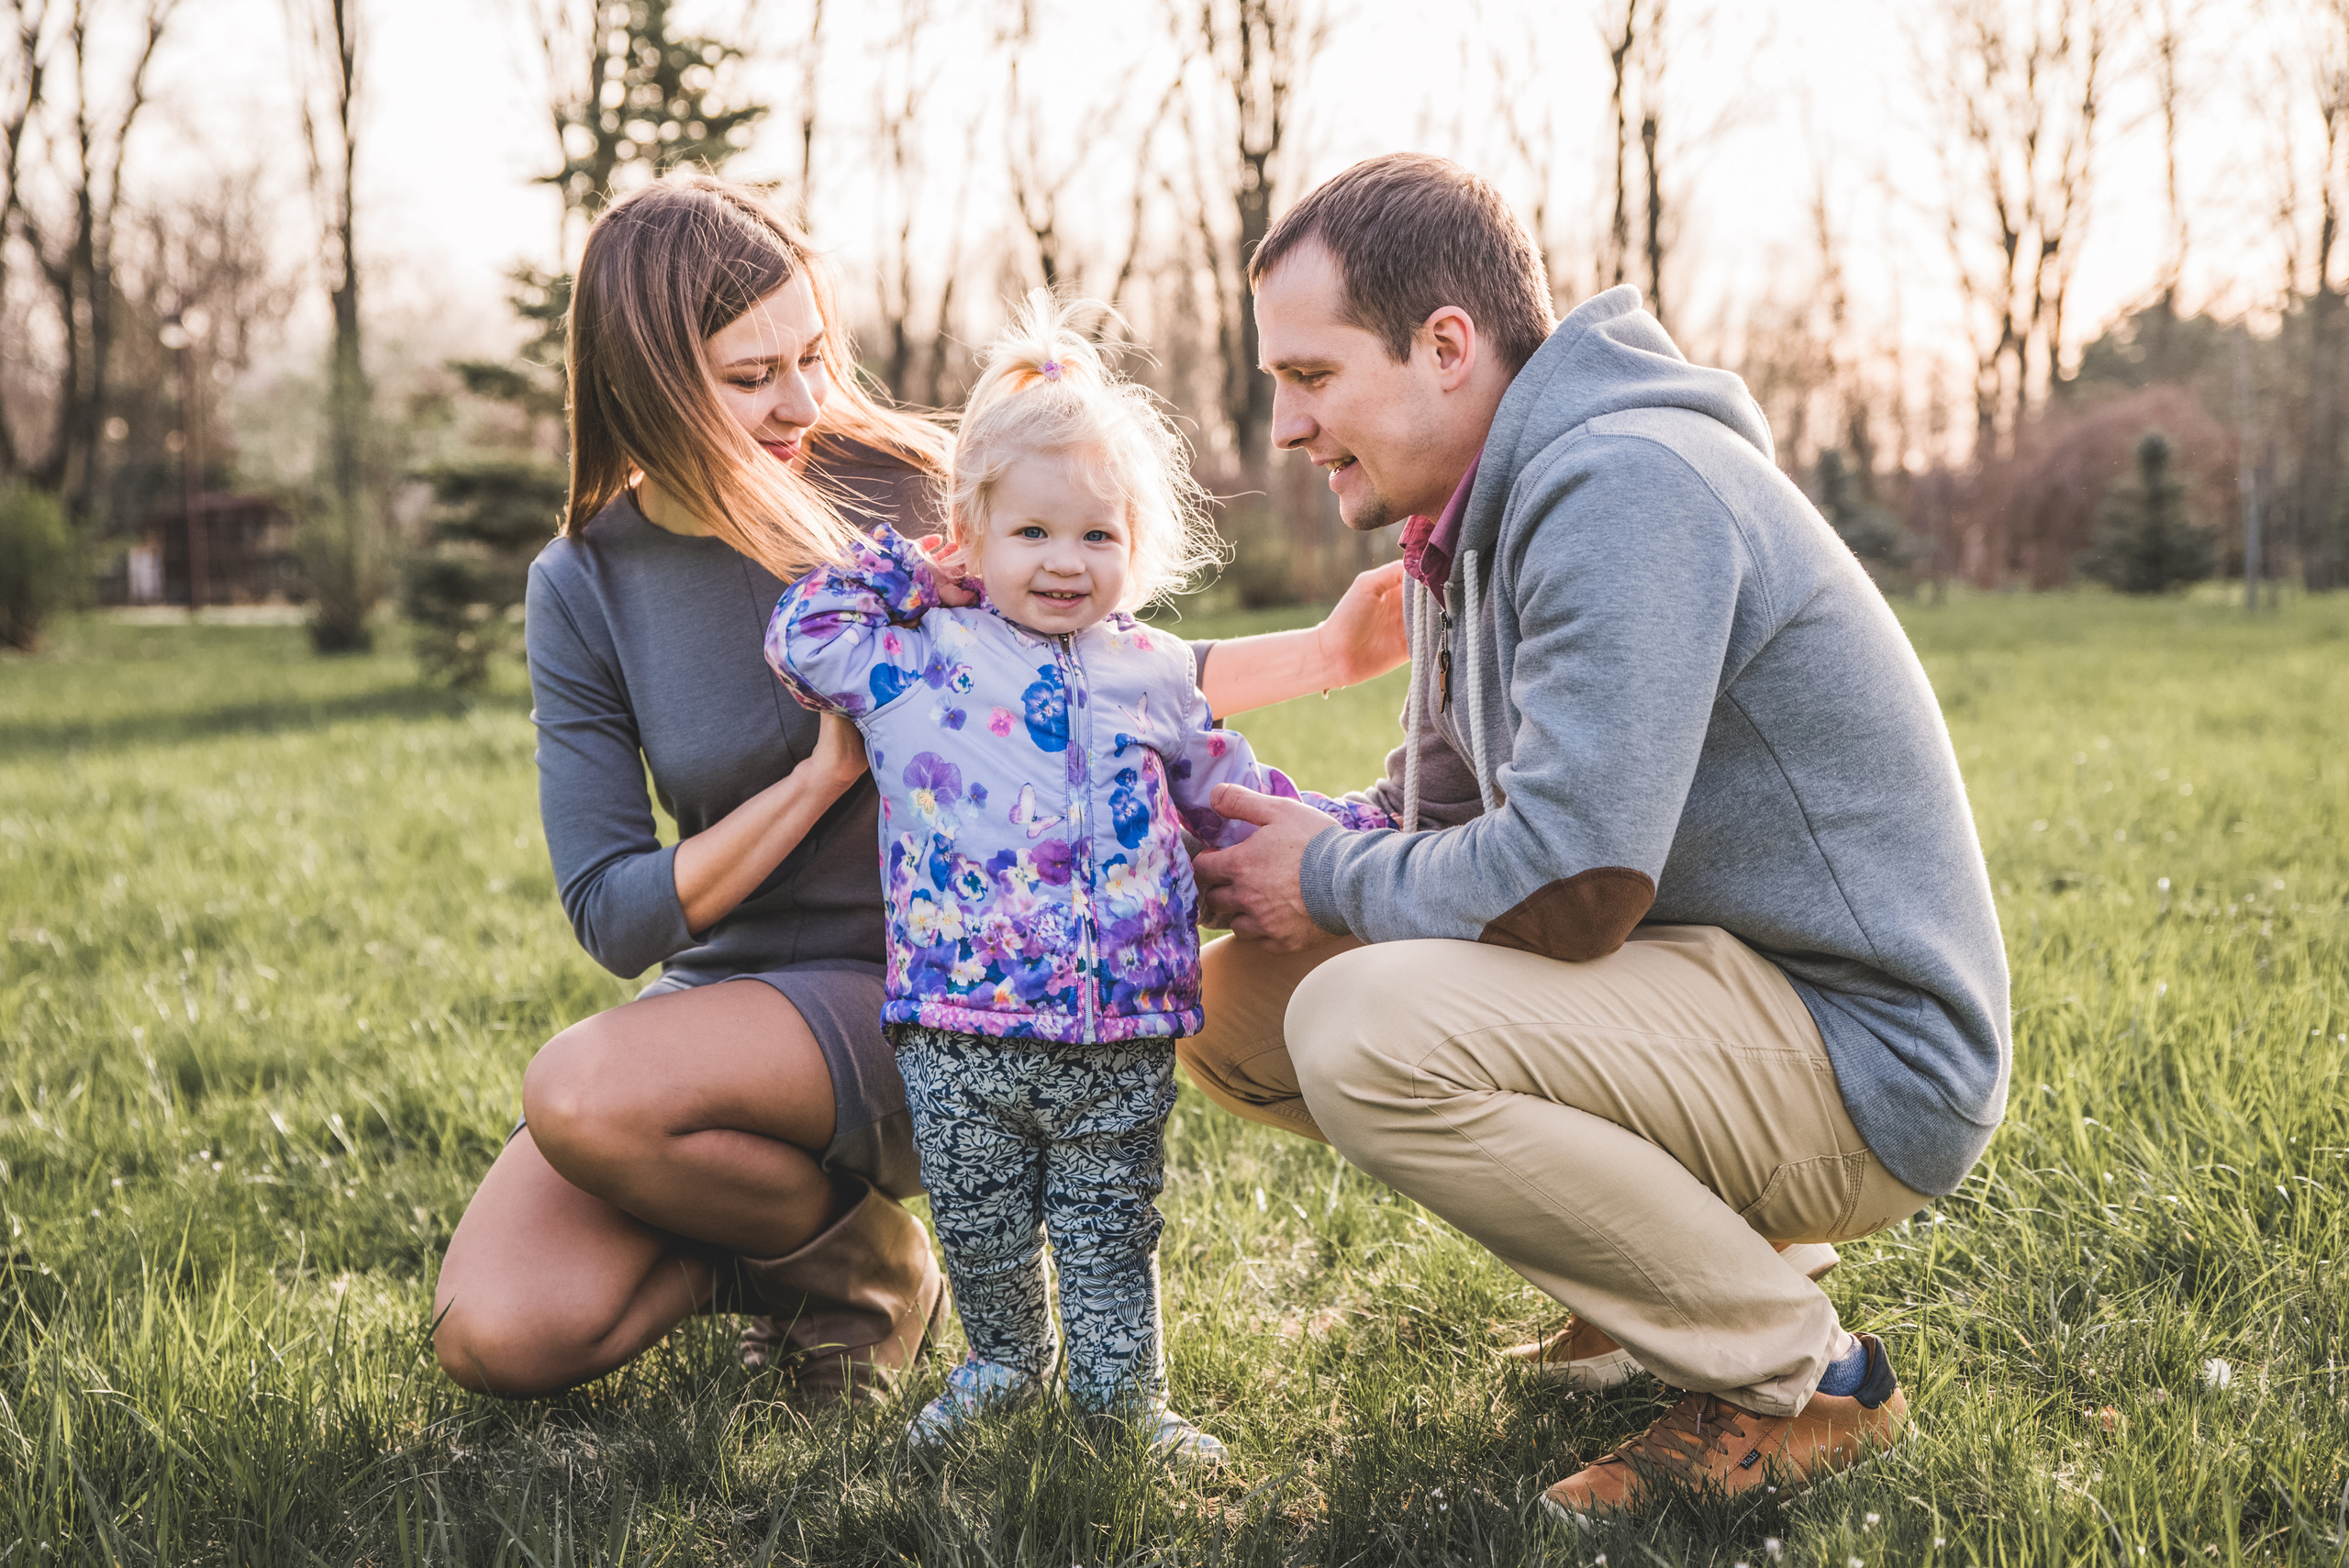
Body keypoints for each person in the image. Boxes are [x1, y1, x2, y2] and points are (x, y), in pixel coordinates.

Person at [429, 177, 1410, 1403]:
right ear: (649, 385)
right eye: (751, 377)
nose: (803, 402)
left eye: (814, 355)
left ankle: (850, 1272)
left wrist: (1324, 656)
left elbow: (1102, 678)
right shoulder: (583, 583)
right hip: (723, 1009)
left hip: (941, 982)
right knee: (500, 1332)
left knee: (581, 1088)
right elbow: (616, 914)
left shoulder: (912, 484)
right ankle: (834, 1267)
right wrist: (822, 773)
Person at [1179, 154, 2010, 1520]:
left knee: (1364, 1027)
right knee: (1240, 1010)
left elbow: (1571, 883)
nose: (1283, 424)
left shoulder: (1624, 485)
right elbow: (1434, 821)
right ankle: (1651, 1295)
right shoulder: (1478, 516)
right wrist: (1245, 842)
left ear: (1447, 345)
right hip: (1718, 983)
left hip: (1871, 1052)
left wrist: (1324, 873)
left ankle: (1804, 1381)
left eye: (1311, 376)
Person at [766, 294, 1389, 1458]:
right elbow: (803, 626)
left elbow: (1226, 795)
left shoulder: (1154, 672)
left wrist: (1347, 829)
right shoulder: (911, 656)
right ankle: (1000, 1362)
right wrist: (922, 571)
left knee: (1110, 1222)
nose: (1066, 562)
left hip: (1119, 1024)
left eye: (1098, 536)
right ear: (975, 534)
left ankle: (1122, 1399)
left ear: (1136, 546)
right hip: (957, 1020)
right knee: (983, 1217)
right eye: (1033, 534)